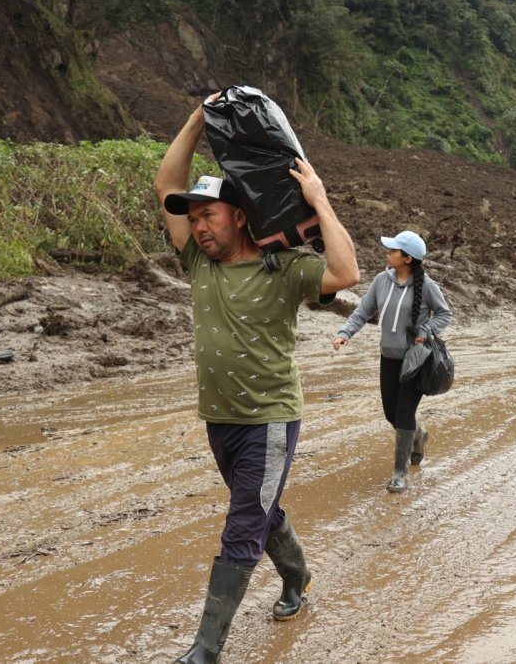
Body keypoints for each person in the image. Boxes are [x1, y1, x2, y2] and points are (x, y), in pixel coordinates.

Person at [155, 96, 360, 664]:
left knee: (243, 523)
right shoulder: (197, 261)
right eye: (192, 218)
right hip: (219, 418)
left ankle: (205, 649)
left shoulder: (286, 268)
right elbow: (166, 180)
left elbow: (346, 272)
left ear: (239, 215)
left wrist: (319, 202)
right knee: (259, 508)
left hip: (269, 418)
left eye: (207, 216)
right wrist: (199, 117)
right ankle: (299, 575)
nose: (197, 227)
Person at [333, 230, 453, 492]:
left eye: (393, 251)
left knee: (403, 412)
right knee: (391, 413)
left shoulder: (428, 285)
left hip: (415, 362)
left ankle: (400, 473)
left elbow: (445, 314)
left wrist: (424, 331)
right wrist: (345, 334)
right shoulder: (380, 281)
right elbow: (363, 311)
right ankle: (418, 434)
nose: (387, 253)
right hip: (388, 358)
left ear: (407, 258)